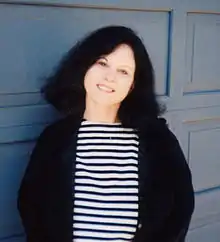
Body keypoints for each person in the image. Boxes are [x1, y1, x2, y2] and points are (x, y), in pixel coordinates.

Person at [17, 25, 194, 242]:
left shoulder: (157, 140)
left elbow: (181, 207)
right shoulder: (55, 139)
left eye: (123, 71)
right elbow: (30, 205)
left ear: (132, 85)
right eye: (102, 63)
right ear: (85, 67)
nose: (110, 77)